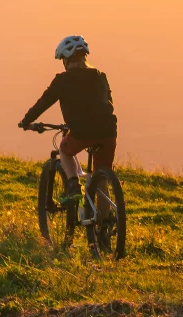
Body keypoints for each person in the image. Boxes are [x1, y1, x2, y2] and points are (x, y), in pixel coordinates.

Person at [18, 35, 117, 201]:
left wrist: (26, 121)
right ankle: (105, 223)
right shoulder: (101, 76)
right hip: (108, 132)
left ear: (66, 60)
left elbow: (44, 102)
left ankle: (73, 185)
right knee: (102, 181)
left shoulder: (63, 80)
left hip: (81, 132)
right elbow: (109, 103)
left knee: (64, 150)